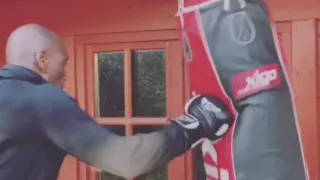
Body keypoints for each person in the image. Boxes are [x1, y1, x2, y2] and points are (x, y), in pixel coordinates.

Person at [0, 24, 234, 180]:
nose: (65, 74)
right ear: (42, 59)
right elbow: (126, 160)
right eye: (62, 64)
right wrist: (194, 125)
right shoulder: (41, 98)